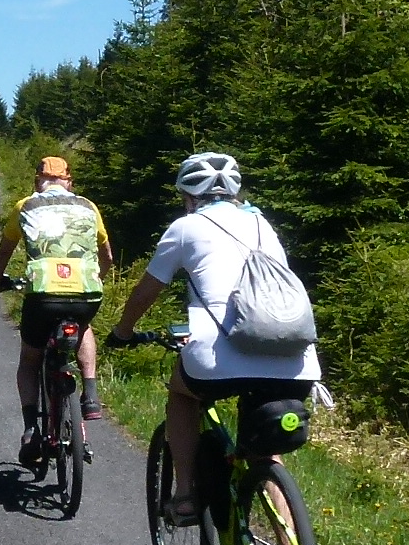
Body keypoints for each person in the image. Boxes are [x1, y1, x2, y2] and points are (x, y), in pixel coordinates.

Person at [108, 151, 320, 522]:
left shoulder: (185, 227)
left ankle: (186, 495)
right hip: (296, 360)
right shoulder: (263, 224)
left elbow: (147, 290)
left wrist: (123, 331)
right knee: (266, 453)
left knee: (181, 393)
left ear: (189, 195)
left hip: (218, 361)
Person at [0, 155, 113, 463]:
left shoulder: (26, 206)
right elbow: (107, 256)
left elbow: (4, 252)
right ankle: (91, 393)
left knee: (30, 360)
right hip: (86, 291)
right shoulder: (88, 206)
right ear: (69, 181)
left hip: (43, 294)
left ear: (38, 181)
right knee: (84, 328)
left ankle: (31, 429)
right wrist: (96, 277)